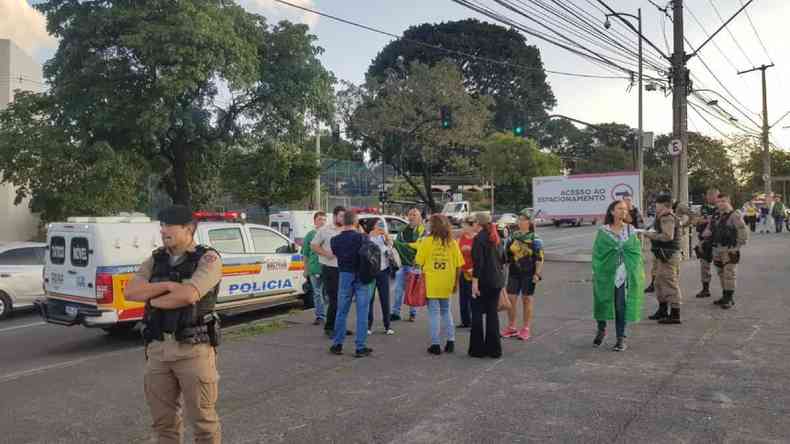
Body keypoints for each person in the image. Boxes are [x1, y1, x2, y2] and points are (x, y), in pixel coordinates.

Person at [125, 205, 222, 444]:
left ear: (188, 228)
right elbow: (131, 291)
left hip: (193, 350)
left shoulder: (207, 258)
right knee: (163, 424)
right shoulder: (156, 259)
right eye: (161, 225)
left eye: (169, 225)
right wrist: (167, 287)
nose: (163, 230)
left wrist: (151, 299)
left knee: (203, 423)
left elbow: (189, 295)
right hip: (158, 351)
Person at [591, 200, 645, 352]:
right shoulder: (603, 231)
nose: (623, 211)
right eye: (620, 208)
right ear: (612, 211)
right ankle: (601, 329)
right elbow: (598, 253)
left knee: (621, 306)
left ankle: (621, 338)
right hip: (606, 273)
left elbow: (636, 252)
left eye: (625, 209)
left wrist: (632, 267)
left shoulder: (630, 230)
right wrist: (598, 269)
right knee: (602, 301)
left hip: (624, 274)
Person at [415, 214, 464, 355]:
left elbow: (418, 262)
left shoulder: (426, 242)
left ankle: (435, 344)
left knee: (434, 314)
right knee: (446, 311)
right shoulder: (452, 243)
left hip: (431, 282)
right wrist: (456, 283)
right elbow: (458, 266)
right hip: (447, 281)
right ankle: (450, 341)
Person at [329, 211, 374, 357]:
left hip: (344, 274)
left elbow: (336, 254)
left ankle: (337, 344)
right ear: (355, 222)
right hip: (361, 275)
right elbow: (369, 252)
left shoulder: (334, 240)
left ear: (343, 222)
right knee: (362, 312)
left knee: (341, 310)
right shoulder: (362, 237)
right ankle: (360, 347)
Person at [502, 212, 544, 341]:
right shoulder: (512, 237)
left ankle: (526, 328)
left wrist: (537, 273)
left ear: (529, 222)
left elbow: (540, 258)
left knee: (526, 299)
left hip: (529, 273)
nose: (520, 222)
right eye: (519, 220)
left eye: (523, 220)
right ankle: (512, 327)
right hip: (514, 272)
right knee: (511, 299)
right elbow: (506, 255)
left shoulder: (535, 238)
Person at [311, 206, 352, 338]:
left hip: (345, 269)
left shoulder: (347, 229)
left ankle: (340, 327)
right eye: (340, 216)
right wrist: (325, 253)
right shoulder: (325, 230)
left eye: (344, 216)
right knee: (334, 299)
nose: (343, 219)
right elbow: (314, 245)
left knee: (344, 299)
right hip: (329, 268)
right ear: (334, 216)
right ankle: (329, 327)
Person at [469, 212, 505, 359]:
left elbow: (479, 263)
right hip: (496, 280)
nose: (473, 225)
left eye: (474, 222)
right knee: (492, 315)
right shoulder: (496, 237)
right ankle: (494, 349)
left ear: (479, 223)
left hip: (483, 280)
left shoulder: (479, 239)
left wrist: (475, 283)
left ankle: (478, 349)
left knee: (477, 314)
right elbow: (503, 259)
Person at [644, 194, 683, 324]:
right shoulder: (662, 217)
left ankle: (675, 314)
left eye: (657, 204)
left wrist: (649, 235)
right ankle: (662, 310)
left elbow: (667, 236)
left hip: (669, 255)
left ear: (663, 204)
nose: (655, 206)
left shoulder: (667, 217)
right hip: (663, 255)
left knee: (669, 283)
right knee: (659, 283)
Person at [710, 193, 749, 309]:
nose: (721, 204)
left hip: (729, 249)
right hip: (718, 248)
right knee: (721, 273)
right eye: (719, 201)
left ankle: (729, 298)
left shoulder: (734, 215)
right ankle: (724, 295)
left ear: (729, 202)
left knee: (729, 274)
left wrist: (736, 247)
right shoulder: (717, 215)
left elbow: (743, 231)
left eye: (723, 201)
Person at [391, 208, 426, 322]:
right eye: (410, 214)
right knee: (398, 290)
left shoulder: (423, 231)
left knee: (413, 290)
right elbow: (396, 245)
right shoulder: (402, 230)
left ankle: (413, 313)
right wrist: (405, 246)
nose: (411, 217)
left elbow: (420, 247)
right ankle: (396, 313)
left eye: (414, 215)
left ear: (420, 218)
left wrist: (403, 245)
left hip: (416, 266)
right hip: (403, 265)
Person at [363, 219, 395, 335]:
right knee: (369, 299)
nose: (380, 226)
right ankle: (368, 326)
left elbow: (391, 247)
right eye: (378, 224)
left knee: (385, 299)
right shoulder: (367, 237)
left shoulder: (383, 237)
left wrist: (386, 236)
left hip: (383, 271)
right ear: (373, 226)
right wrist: (369, 236)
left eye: (382, 224)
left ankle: (387, 325)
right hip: (371, 272)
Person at [302, 211, 327, 325]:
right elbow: (305, 254)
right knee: (317, 293)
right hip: (314, 268)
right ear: (315, 221)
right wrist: (305, 270)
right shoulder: (310, 235)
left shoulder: (329, 234)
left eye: (324, 219)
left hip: (328, 268)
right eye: (320, 219)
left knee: (329, 293)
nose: (322, 221)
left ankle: (329, 315)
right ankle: (320, 316)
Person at [693, 188, 719, 298]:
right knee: (704, 267)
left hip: (718, 242)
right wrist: (706, 220)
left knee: (722, 268)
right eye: (709, 195)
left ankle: (726, 293)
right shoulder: (702, 208)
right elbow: (695, 221)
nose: (711, 197)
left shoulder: (721, 208)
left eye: (713, 195)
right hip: (704, 241)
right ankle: (705, 289)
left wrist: (710, 220)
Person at [456, 216, 477, 329]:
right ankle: (465, 321)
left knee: (473, 297)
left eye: (464, 225)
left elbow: (481, 256)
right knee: (463, 298)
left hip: (474, 272)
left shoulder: (477, 238)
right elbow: (456, 253)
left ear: (471, 226)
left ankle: (475, 322)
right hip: (463, 271)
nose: (462, 228)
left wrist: (470, 250)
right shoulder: (461, 238)